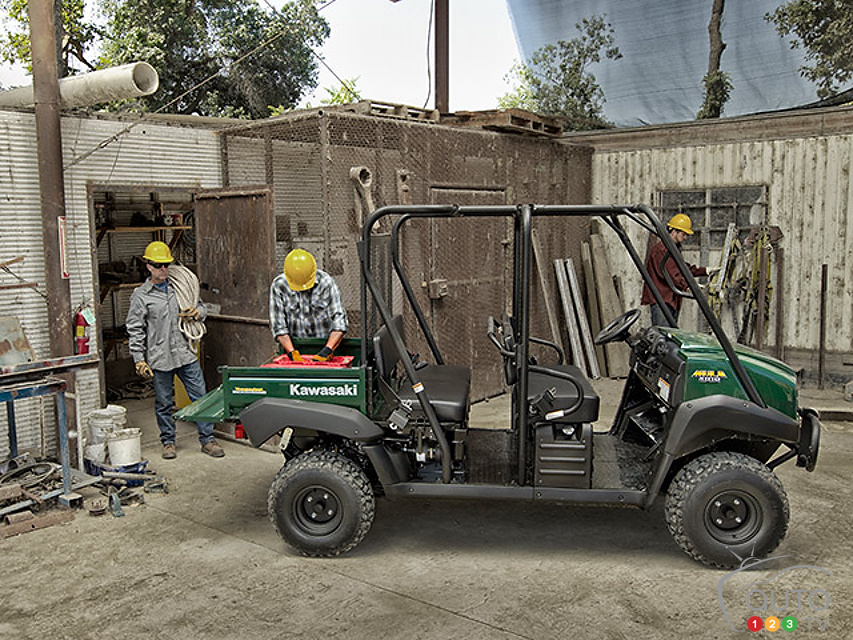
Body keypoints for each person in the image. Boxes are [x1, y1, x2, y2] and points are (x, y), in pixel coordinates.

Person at [126, 241, 225, 459]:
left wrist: (198, 313)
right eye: (158, 265)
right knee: (164, 402)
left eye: (166, 265)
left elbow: (201, 306)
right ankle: (168, 442)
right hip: (160, 358)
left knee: (201, 397)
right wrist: (139, 359)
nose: (163, 269)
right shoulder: (141, 296)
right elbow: (135, 329)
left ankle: (208, 440)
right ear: (148, 266)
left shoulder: (180, 288)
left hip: (185, 353)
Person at [269, 249, 348, 361]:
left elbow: (339, 322)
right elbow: (279, 326)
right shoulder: (279, 286)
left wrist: (327, 351)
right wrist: (292, 353)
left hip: (326, 346)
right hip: (294, 347)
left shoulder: (326, 283)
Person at [641, 213, 714, 327]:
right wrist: (688, 285)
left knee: (671, 334)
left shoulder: (673, 248)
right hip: (662, 299)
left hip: (671, 299)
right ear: (674, 231)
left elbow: (682, 268)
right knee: (664, 334)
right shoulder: (662, 250)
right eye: (684, 234)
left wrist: (705, 271)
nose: (685, 238)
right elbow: (672, 274)